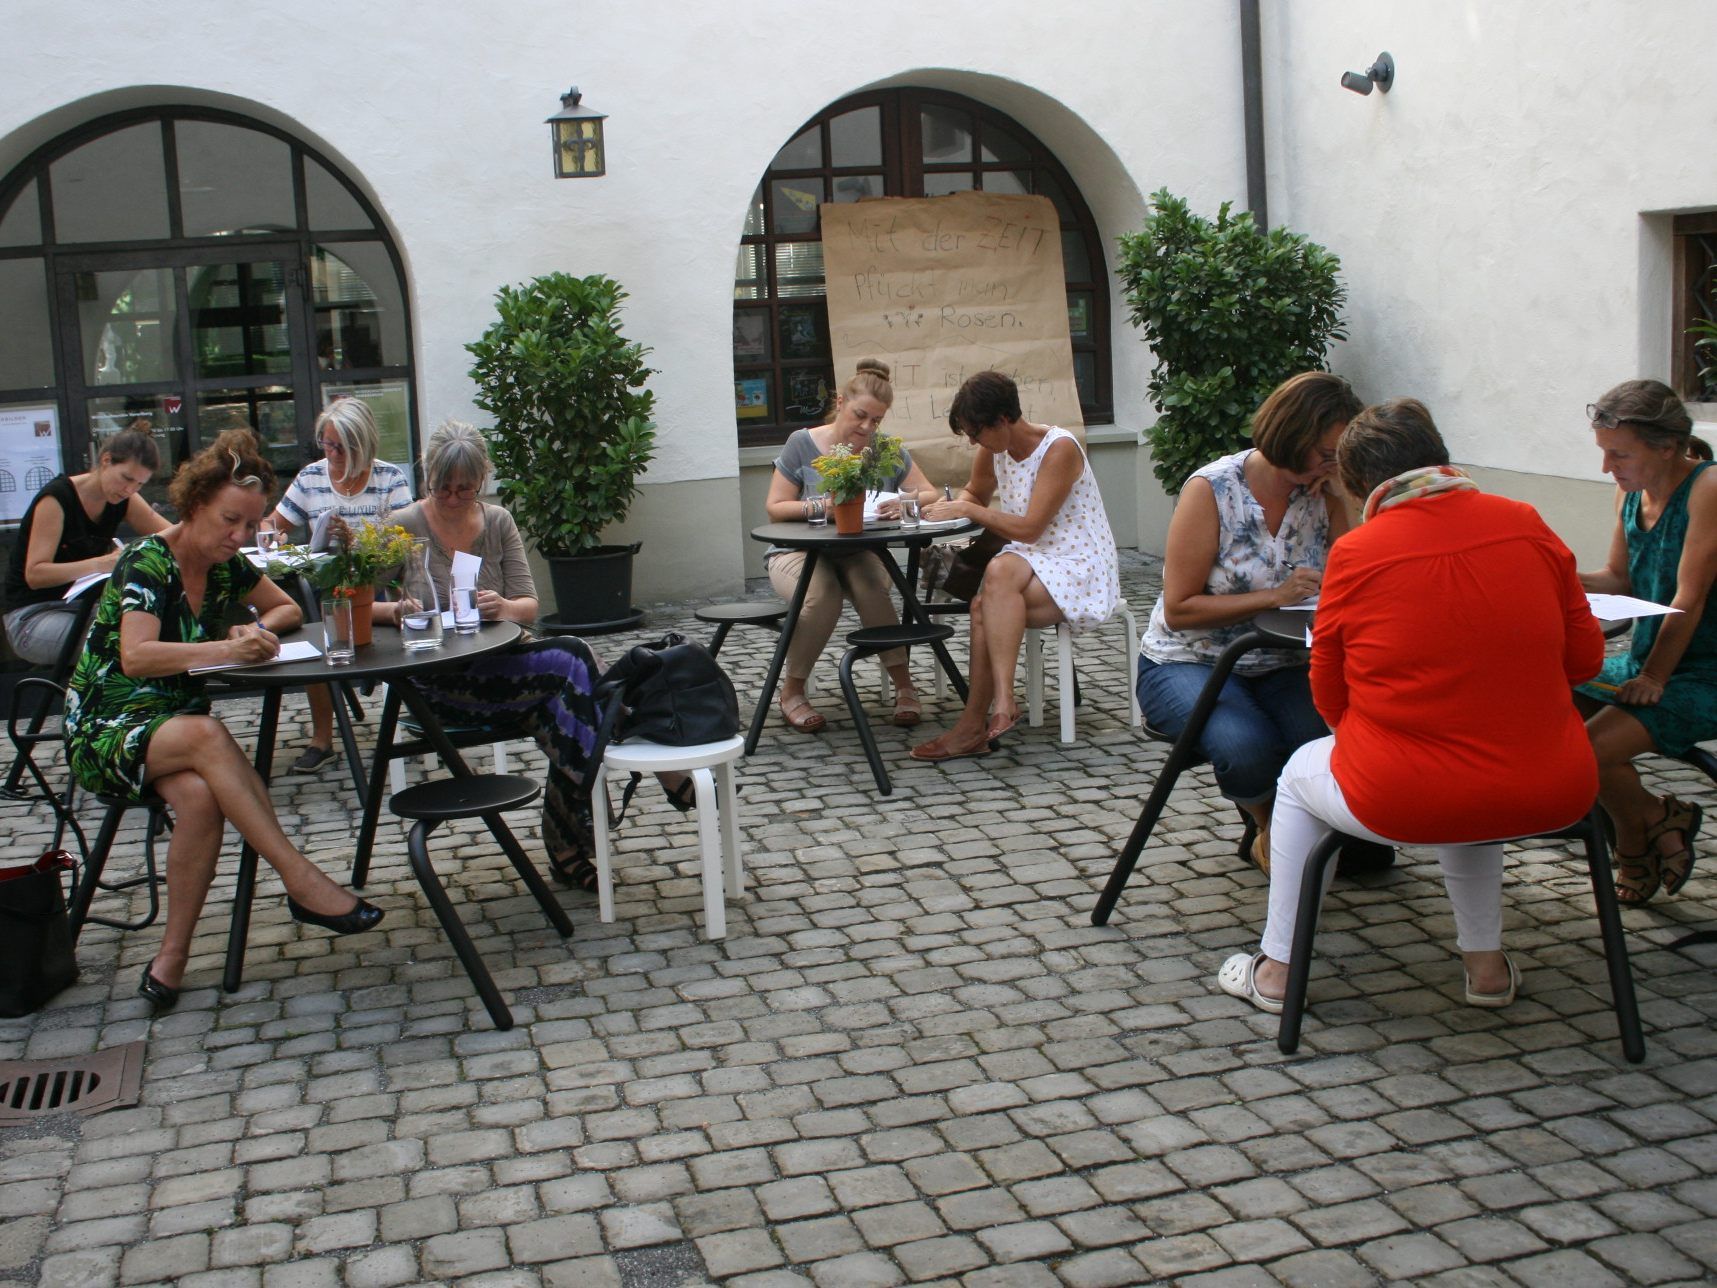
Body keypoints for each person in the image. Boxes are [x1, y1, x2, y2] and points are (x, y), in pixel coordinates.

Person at [1218, 400, 1603, 1014]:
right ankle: (1486, 967)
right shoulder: (1527, 521)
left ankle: (1277, 973)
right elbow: (1585, 662)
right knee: (1470, 780)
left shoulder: (1358, 552)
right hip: (1551, 785)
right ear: (1440, 457)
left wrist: (1381, 732)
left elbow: (1329, 693)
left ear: (1360, 483)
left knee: (1294, 780)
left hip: (1405, 792)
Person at [65, 429, 383, 1013]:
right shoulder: (148, 559)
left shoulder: (226, 564)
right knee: (209, 734)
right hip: (106, 727)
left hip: (171, 732)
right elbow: (137, 657)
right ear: (194, 505)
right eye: (229, 521)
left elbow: (284, 606)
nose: (239, 537)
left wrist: (252, 631)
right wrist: (223, 650)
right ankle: (300, 878)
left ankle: (172, 958)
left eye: (249, 525)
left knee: (201, 798)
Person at [387, 420, 656, 892]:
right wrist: (399, 609)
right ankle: (572, 836)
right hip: (442, 681)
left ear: (481, 481)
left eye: (464, 490)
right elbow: (355, 606)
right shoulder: (403, 526)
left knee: (565, 702)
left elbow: (529, 607)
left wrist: (502, 606)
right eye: (442, 489)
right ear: (428, 478)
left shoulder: (497, 522)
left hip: (504, 667)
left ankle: (568, 844)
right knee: (572, 662)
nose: (452, 499)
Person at [1134, 372, 1362, 870]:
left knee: (1326, 743)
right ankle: (1272, 835)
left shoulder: (1323, 495)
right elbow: (1180, 608)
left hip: (1282, 662)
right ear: (1293, 434)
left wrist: (1346, 495)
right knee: (1247, 745)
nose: (1333, 464)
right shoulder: (1214, 490)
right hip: (1189, 660)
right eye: (1327, 453)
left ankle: (1304, 837)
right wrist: (1274, 596)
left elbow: (1351, 583)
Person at [910, 370, 1120, 760]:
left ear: (1004, 420)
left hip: (1080, 564)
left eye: (976, 432)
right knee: (1000, 572)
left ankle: (977, 724)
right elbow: (975, 493)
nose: (973, 441)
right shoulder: (993, 448)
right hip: (1033, 560)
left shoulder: (1059, 449)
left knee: (983, 603)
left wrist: (969, 508)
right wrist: (924, 507)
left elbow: (1029, 528)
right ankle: (1002, 704)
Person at [1575, 380, 1717, 905]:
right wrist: (1555, 571)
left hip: (1701, 674)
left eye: (1618, 454)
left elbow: (1691, 597)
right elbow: (1618, 577)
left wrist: (1654, 677)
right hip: (1644, 661)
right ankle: (1658, 817)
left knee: (1584, 755)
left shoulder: (1708, 489)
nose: (1607, 468)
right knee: (1549, 711)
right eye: (1604, 452)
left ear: (1666, 446)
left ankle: (1635, 839)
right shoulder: (1631, 491)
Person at [763, 359, 937, 732]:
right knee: (822, 593)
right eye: (861, 415)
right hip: (796, 552)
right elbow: (775, 508)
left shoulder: (882, 449)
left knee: (871, 586)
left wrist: (905, 503)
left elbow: (930, 492)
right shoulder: (801, 443)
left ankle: (904, 686)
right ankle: (791, 692)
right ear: (840, 402)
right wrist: (823, 507)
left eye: (876, 421)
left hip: (857, 552)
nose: (866, 427)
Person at [265, 397, 413, 771]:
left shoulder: (389, 479)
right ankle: (322, 737)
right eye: (326, 444)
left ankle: (412, 710)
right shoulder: (312, 477)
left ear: (361, 445)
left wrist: (357, 542)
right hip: (326, 590)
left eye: (340, 447)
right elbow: (272, 526)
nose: (331, 453)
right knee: (316, 623)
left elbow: (403, 541)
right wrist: (276, 537)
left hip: (377, 581)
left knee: (396, 605)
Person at [4, 429, 169, 665]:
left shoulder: (125, 498)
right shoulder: (56, 499)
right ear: (105, 461)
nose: (129, 490)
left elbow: (172, 537)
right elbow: (35, 574)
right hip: (31, 617)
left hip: (84, 609)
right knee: (126, 640)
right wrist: (101, 564)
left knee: (156, 627)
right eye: (126, 478)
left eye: (139, 485)